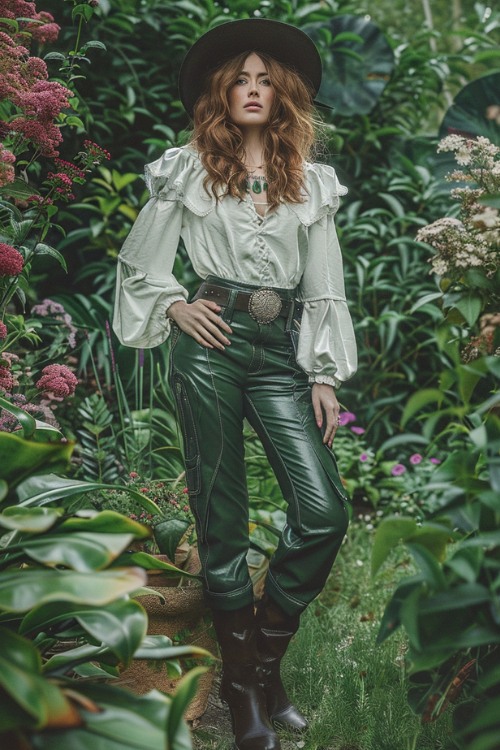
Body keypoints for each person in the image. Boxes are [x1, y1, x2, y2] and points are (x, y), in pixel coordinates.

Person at [113, 18, 357, 750]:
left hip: (280, 350)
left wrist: (323, 374)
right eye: (241, 80)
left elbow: (324, 286)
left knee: (323, 512)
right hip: (210, 340)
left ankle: (252, 671)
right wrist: (174, 305)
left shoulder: (306, 180)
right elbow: (142, 263)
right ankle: (250, 700)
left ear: (283, 96)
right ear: (223, 93)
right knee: (220, 514)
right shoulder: (187, 168)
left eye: (265, 81)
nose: (253, 90)